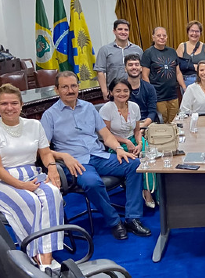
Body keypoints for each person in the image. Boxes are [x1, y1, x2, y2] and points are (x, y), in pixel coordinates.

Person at [41, 71, 151, 240]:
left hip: (99, 156)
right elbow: (43, 149)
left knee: (134, 164)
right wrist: (63, 156)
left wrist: (119, 149)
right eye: (65, 87)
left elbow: (106, 135)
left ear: (78, 87)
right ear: (57, 90)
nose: (70, 90)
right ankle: (115, 222)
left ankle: (132, 218)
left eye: (73, 86)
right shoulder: (49, 115)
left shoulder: (88, 107)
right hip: (75, 162)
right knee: (92, 182)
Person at [0, 84, 63, 271]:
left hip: (32, 174)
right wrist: (21, 185)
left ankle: (46, 255)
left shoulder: (34, 125)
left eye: (14, 103)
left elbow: (46, 153)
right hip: (1, 180)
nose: (9, 108)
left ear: (22, 104)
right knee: (30, 202)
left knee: (53, 195)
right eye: (4, 104)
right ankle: (35, 253)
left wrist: (52, 168)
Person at [99, 77, 156, 209]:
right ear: (111, 92)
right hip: (116, 144)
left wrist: (139, 143)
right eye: (118, 91)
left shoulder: (134, 107)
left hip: (134, 139)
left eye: (125, 90)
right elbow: (106, 135)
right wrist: (126, 142)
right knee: (138, 160)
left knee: (150, 156)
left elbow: (137, 130)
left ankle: (150, 190)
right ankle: (147, 194)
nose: (122, 94)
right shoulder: (107, 109)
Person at [141, 27, 186, 123]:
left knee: (175, 122)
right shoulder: (148, 53)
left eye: (164, 35)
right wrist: (150, 93)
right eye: (158, 35)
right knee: (162, 123)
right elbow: (145, 76)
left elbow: (178, 72)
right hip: (158, 96)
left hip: (173, 95)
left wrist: (184, 87)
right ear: (153, 38)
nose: (162, 37)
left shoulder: (172, 51)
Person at [95, 19, 143, 101]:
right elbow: (100, 72)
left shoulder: (137, 50)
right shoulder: (105, 50)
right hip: (115, 91)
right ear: (114, 31)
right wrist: (104, 91)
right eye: (120, 29)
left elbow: (142, 70)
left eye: (126, 30)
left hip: (135, 91)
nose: (123, 32)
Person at [176, 20, 205, 88]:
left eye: (197, 31)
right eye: (192, 31)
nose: (194, 33)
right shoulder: (182, 46)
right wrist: (183, 86)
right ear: (188, 32)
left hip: (204, 80)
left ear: (200, 33)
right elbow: (178, 66)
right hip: (187, 80)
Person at [125, 54, 157, 127]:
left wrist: (142, 127)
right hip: (126, 124)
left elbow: (152, 112)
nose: (134, 67)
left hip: (146, 122)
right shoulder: (121, 89)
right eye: (130, 65)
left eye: (136, 64)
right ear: (125, 68)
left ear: (141, 68)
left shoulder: (149, 88)